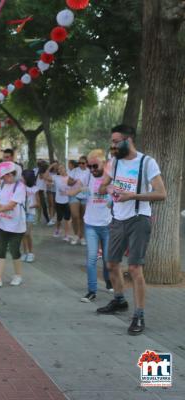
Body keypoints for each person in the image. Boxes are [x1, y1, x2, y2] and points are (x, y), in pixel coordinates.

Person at [97, 124, 166, 335]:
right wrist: (111, 188)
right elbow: (101, 188)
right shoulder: (114, 162)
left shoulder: (147, 162)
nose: (113, 145)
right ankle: (119, 300)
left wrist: (133, 196)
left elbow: (161, 194)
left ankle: (139, 315)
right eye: (112, 141)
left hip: (139, 219)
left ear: (129, 140)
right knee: (111, 263)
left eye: (117, 141)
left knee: (135, 269)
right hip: (118, 219)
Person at [67, 149, 112, 303]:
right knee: (91, 259)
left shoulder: (111, 177)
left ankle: (109, 281)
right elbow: (71, 191)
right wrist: (79, 189)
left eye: (95, 166)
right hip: (91, 225)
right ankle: (91, 291)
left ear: (104, 164)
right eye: (89, 166)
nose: (92, 169)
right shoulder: (87, 176)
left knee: (107, 259)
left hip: (108, 225)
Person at [0, 162, 27, 288]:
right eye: (1, 177)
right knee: (1, 250)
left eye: (5, 176)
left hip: (17, 225)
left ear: (12, 174)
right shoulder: (2, 185)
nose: (2, 179)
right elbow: (1, 203)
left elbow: (10, 205)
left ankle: (18, 275)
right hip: (3, 223)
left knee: (14, 250)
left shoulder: (20, 187)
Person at [43, 162, 71, 241]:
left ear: (65, 169)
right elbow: (45, 177)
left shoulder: (70, 177)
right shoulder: (56, 177)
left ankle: (66, 235)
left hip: (68, 201)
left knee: (67, 219)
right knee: (59, 218)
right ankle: (58, 230)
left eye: (62, 168)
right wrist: (50, 166)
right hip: (58, 201)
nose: (60, 170)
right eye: (59, 169)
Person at [68, 156, 89, 245]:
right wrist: (75, 181)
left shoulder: (90, 171)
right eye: (79, 163)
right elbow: (68, 183)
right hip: (74, 194)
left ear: (87, 163)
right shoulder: (75, 170)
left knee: (83, 218)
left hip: (85, 195)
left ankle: (82, 236)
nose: (80, 164)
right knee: (75, 216)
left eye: (83, 163)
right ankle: (76, 235)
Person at [21, 169, 39, 263]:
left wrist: (30, 206)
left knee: (28, 233)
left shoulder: (35, 188)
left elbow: (38, 203)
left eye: (22, 177)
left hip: (30, 213)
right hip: (22, 213)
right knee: (23, 234)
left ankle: (31, 252)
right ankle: (25, 252)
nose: (21, 178)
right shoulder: (21, 187)